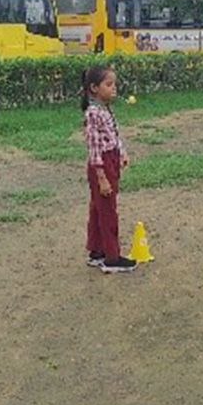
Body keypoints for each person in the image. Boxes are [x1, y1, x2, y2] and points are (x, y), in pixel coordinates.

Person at [81, 66, 136, 273]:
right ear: (94, 88)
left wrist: (121, 152)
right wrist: (102, 177)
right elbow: (94, 149)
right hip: (101, 166)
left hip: (110, 160)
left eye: (114, 84)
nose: (114, 89)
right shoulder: (93, 113)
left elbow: (113, 135)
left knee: (98, 208)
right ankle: (112, 258)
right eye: (109, 84)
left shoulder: (104, 109)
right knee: (107, 211)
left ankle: (96, 252)